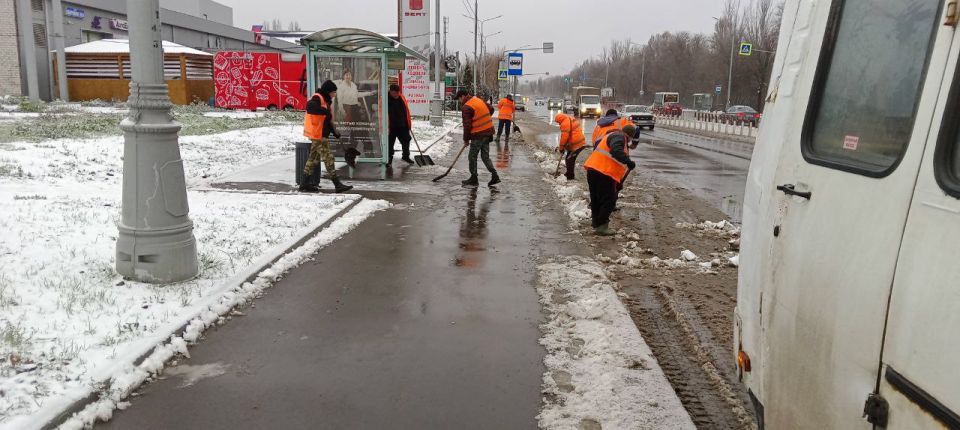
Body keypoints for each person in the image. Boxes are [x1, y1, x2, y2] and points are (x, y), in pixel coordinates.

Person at [584, 124, 637, 236]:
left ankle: (596, 223)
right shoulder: (620, 137)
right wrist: (628, 161)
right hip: (603, 173)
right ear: (630, 136)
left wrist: (618, 182)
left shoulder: (613, 135)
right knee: (609, 200)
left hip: (594, 169)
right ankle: (602, 226)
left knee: (596, 199)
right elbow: (615, 150)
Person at [302, 80, 353, 193]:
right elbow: (310, 107)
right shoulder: (317, 97)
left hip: (319, 134)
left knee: (313, 159)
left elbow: (326, 120)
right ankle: (337, 184)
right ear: (328, 91)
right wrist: (325, 111)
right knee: (328, 158)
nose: (334, 94)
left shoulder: (326, 100)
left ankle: (304, 184)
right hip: (318, 134)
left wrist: (335, 133)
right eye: (333, 92)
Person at [457, 89, 500, 187]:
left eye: (459, 99)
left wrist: (466, 140)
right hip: (488, 132)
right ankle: (495, 175)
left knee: (472, 156)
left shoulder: (466, 107)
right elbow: (491, 109)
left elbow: (467, 125)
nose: (459, 101)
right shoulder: (478, 100)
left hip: (478, 135)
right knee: (485, 157)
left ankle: (473, 178)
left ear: (463, 96)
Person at [387, 84, 414, 166]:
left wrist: (407, 123)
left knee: (406, 140)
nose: (397, 95)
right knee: (390, 143)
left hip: (402, 124)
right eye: (395, 93)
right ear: (391, 91)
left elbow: (406, 110)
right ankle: (389, 159)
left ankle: (405, 156)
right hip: (391, 126)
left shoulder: (401, 97)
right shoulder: (386, 99)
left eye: (398, 93)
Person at [554, 112, 587, 180]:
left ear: (560, 120)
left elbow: (564, 137)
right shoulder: (569, 118)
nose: (559, 124)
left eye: (558, 122)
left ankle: (570, 176)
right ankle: (569, 173)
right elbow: (571, 133)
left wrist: (561, 148)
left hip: (576, 144)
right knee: (569, 158)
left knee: (570, 159)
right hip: (578, 141)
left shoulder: (565, 124)